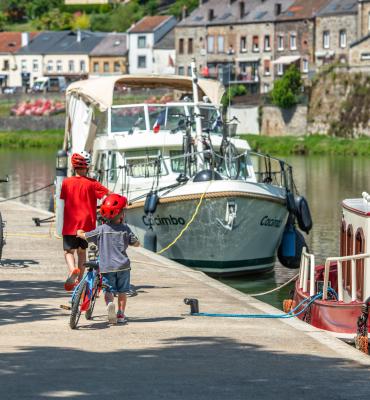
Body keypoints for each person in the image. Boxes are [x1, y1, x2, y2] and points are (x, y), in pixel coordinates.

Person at [77, 193, 140, 324]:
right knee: (122, 292)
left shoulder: (101, 229)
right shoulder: (125, 229)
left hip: (107, 267)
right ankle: (121, 314)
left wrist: (80, 232)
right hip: (123, 266)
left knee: (108, 290)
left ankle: (110, 304)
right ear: (122, 214)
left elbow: (86, 236)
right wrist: (134, 242)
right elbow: (136, 243)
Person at [61, 151, 109, 291]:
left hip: (70, 225)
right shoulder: (93, 184)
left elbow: (64, 199)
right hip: (87, 227)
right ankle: (80, 280)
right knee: (82, 252)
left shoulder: (66, 182)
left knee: (68, 252)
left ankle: (72, 270)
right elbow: (108, 195)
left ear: (73, 166)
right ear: (87, 167)